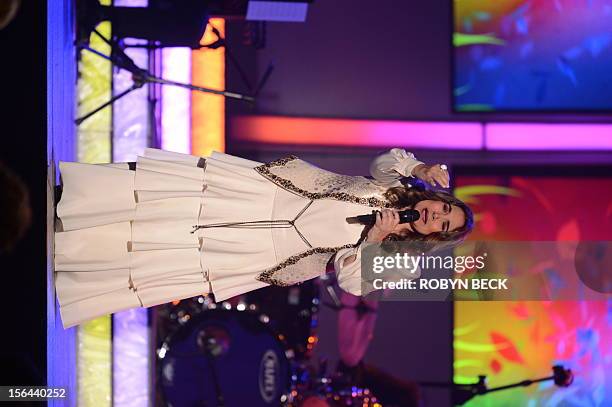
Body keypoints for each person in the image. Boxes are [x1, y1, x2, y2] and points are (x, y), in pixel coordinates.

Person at [54, 148, 473, 328]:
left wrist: (376, 241)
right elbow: (384, 161)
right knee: (170, 203)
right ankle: (77, 206)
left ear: (437, 236)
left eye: (443, 224)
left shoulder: (401, 260)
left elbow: (351, 284)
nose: (436, 215)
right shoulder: (394, 189)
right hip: (267, 193)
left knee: (170, 248)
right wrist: (418, 169)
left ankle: (72, 253)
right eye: (443, 208)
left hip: (271, 252)